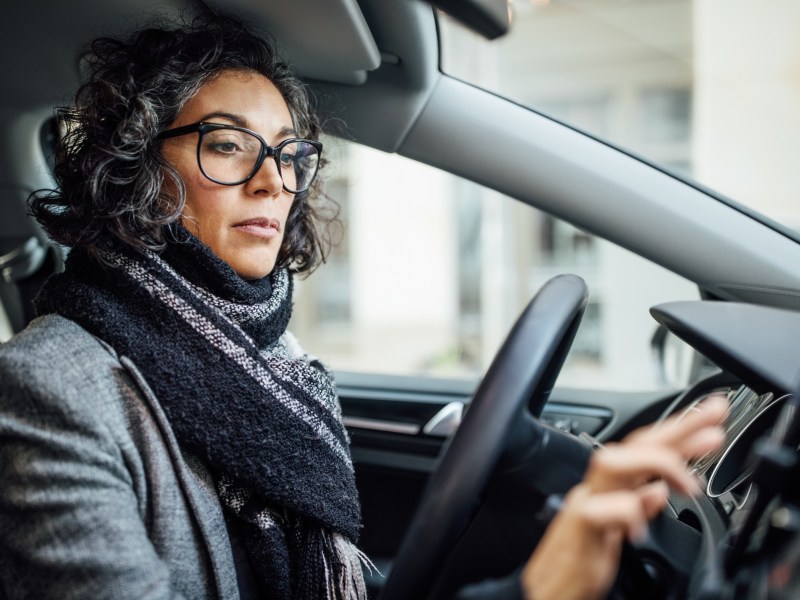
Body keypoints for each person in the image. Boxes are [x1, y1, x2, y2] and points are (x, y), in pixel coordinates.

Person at [0, 12, 726, 600]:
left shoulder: (274, 360)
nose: (273, 183)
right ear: (137, 166)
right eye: (227, 146)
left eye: (289, 154)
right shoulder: (49, 389)